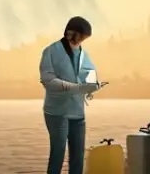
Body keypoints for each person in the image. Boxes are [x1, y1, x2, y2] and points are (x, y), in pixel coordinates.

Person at [39, 16, 104, 174]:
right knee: (58, 152)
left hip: (77, 111)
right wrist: (76, 88)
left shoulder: (83, 54)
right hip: (57, 112)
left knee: (78, 155)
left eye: (84, 38)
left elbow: (89, 72)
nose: (81, 41)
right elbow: (48, 80)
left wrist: (90, 87)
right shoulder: (51, 51)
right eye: (80, 36)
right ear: (70, 32)